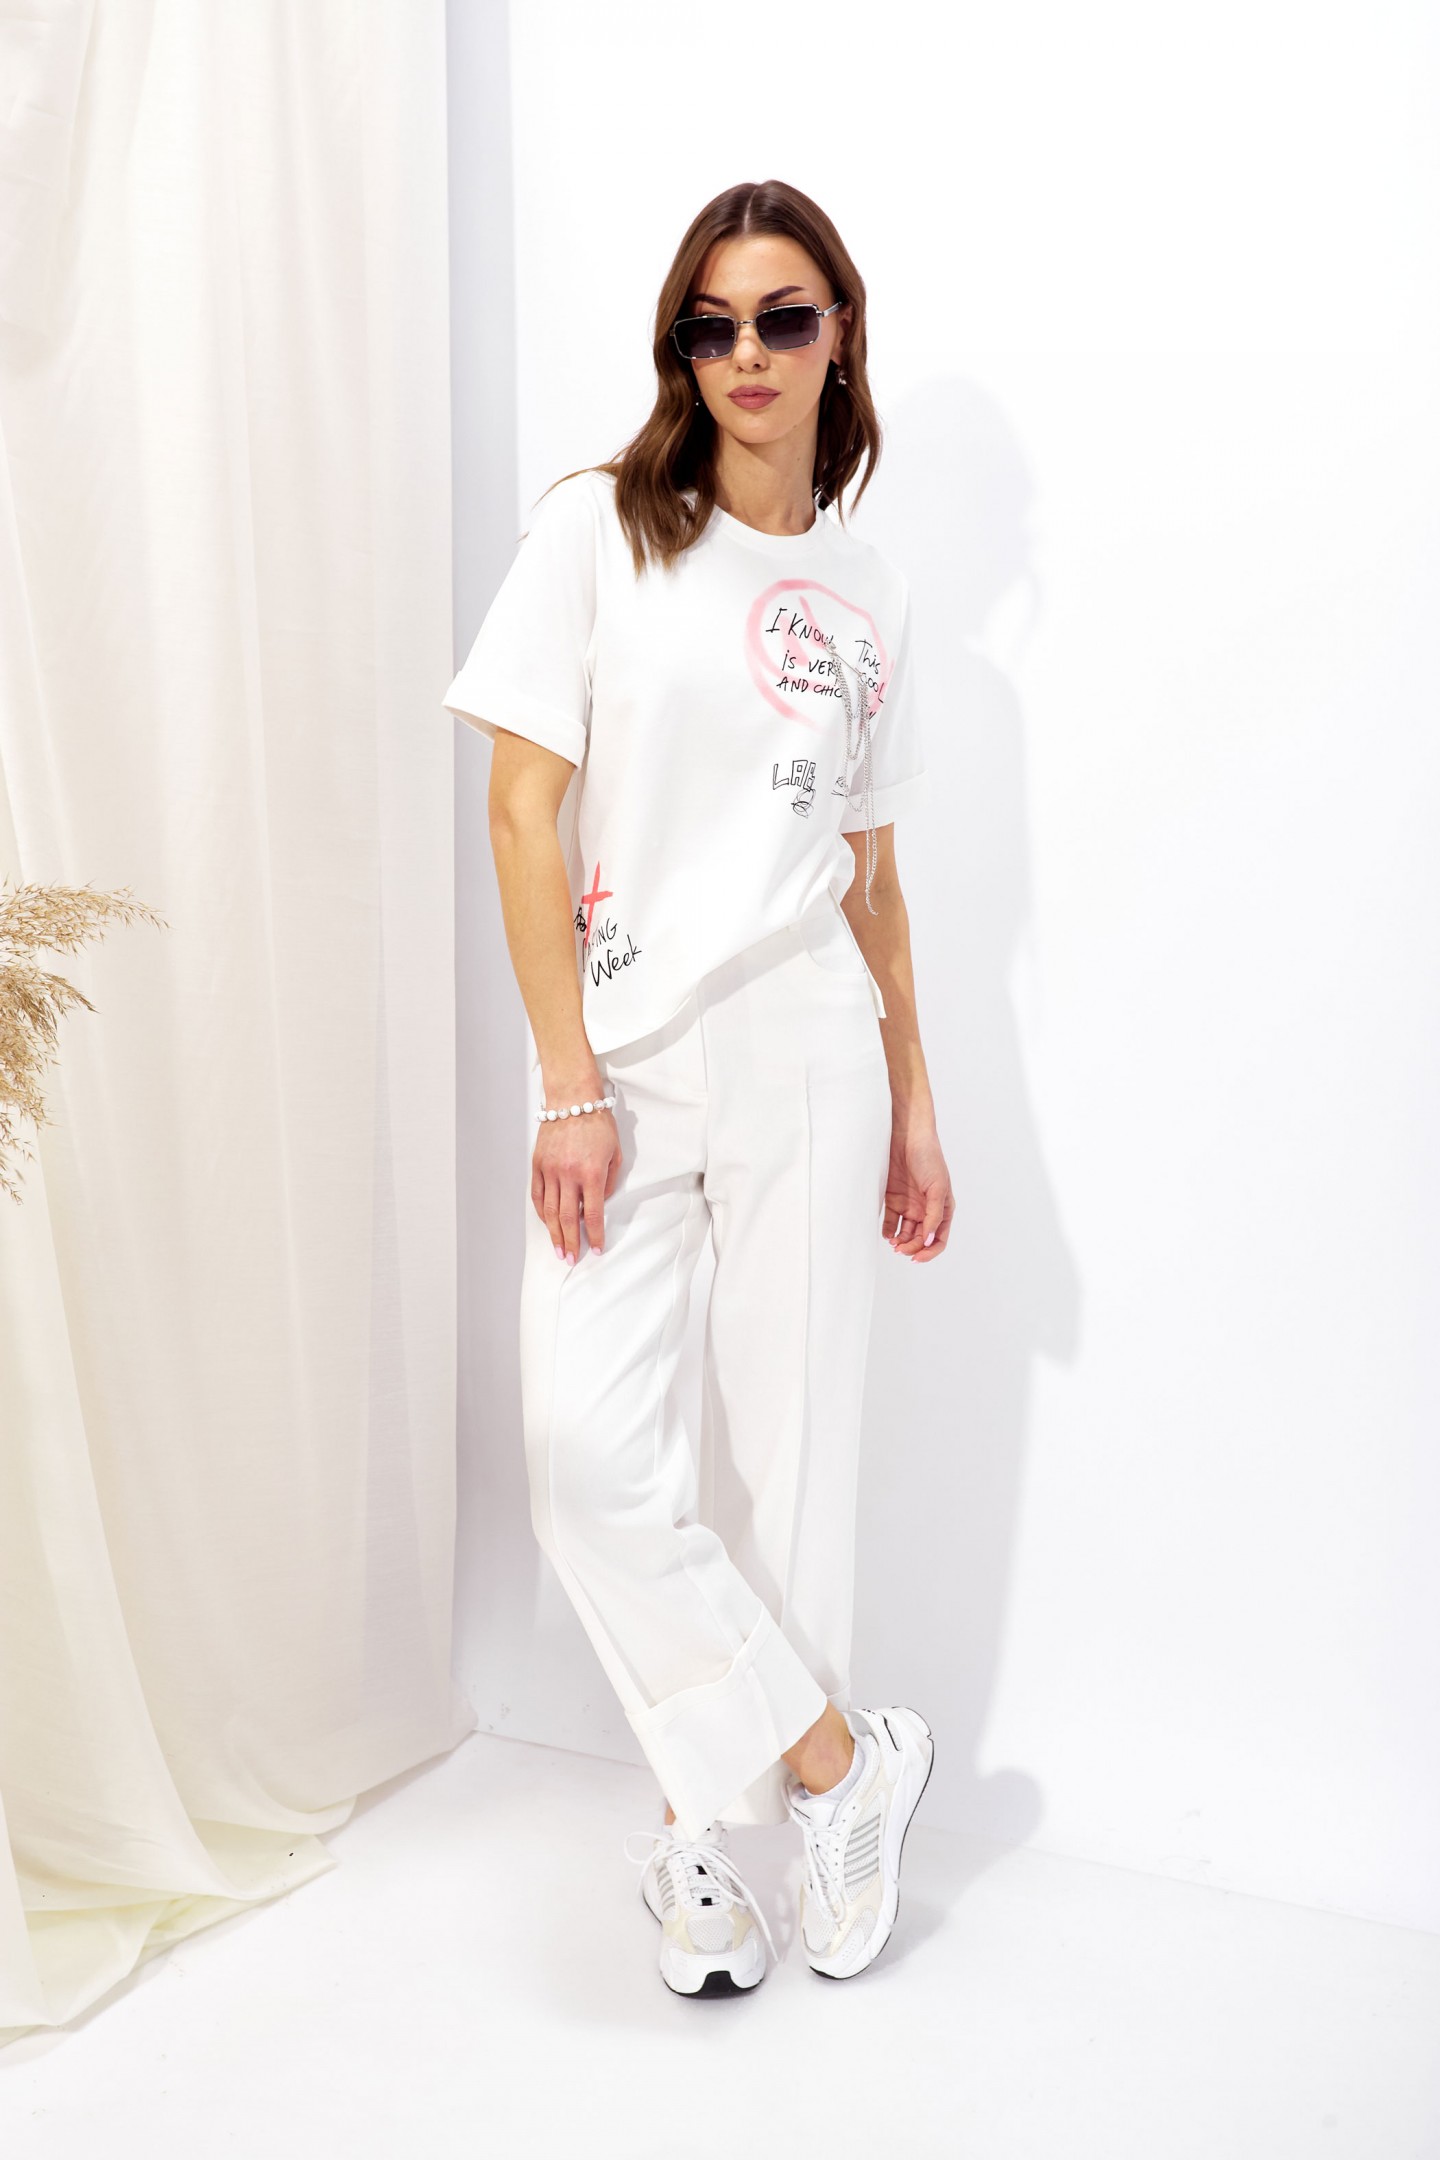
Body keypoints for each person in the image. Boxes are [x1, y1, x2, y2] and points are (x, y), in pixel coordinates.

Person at [443, 178, 954, 1998]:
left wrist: (914, 1091)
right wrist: (563, 1081)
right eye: (713, 324)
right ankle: (834, 1766)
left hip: (811, 1037)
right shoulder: (600, 529)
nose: (749, 353)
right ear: (683, 347)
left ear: (839, 336)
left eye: (784, 318)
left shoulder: (875, 589)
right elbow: (522, 811)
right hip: (627, 1059)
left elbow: (872, 875)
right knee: (588, 1467)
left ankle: (705, 1852)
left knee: (796, 1466)